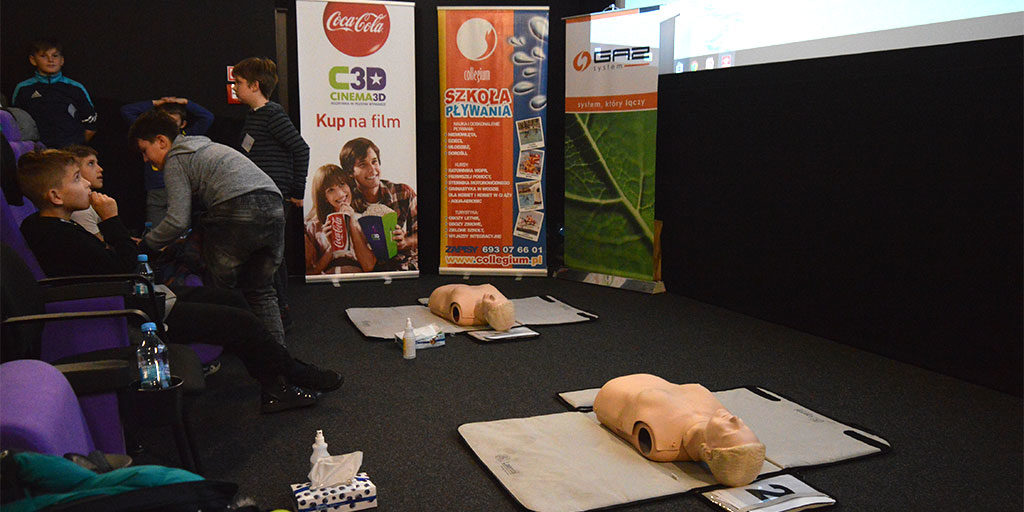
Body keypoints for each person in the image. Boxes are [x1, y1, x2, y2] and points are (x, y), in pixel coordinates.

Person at [15, 149, 342, 413]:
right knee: (239, 322)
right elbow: (125, 269)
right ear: (55, 195)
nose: (87, 183)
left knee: (232, 300)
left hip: (140, 297)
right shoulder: (53, 233)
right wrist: (111, 220)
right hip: (130, 312)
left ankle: (277, 386)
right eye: (77, 179)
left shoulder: (58, 226)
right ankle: (293, 372)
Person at [128, 109, 288, 347]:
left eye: (144, 150)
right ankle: (278, 356)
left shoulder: (176, 159)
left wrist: (146, 245)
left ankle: (224, 354)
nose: (145, 159)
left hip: (235, 208)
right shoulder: (205, 147)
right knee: (262, 291)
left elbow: (177, 221)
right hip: (274, 206)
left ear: (161, 141)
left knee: (221, 293)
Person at [233, 57, 309, 329]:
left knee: (271, 257)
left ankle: (281, 312)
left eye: (239, 82)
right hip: (257, 196)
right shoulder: (254, 116)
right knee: (265, 255)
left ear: (255, 85)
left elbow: (301, 148)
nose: (235, 87)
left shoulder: (272, 114)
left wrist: (297, 191)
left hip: (272, 196)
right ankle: (272, 310)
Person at [593, 374, 766, 487]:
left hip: (614, 389)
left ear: (707, 452)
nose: (736, 419)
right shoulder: (718, 414)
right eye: (743, 426)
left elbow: (615, 417)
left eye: (731, 430)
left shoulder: (662, 445)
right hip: (648, 378)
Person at [120, 97, 214, 226]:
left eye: (173, 121)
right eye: (164, 120)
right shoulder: (149, 135)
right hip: (156, 190)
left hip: (181, 187)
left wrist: (186, 102)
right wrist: (155, 103)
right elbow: (126, 111)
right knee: (154, 227)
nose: (168, 125)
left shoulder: (187, 137)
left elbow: (207, 117)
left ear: (183, 124)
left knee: (181, 227)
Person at [339, 137, 417, 271]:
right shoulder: (347, 202)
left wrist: (405, 242)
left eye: (374, 162)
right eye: (363, 165)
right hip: (370, 270)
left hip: (405, 267)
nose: (372, 169)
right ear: (350, 172)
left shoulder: (403, 192)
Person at [12, 39, 97, 148]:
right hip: (37, 152)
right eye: (43, 56)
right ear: (33, 60)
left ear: (62, 60)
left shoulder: (76, 88)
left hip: (69, 152)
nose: (50, 60)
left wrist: (75, 145)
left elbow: (90, 125)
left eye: (55, 56)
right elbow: (16, 123)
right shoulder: (23, 88)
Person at [303, 164, 375, 274]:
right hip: (327, 280)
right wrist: (332, 247)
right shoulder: (313, 227)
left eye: (342, 184)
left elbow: (368, 266)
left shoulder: (365, 221)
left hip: (357, 279)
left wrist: (352, 224)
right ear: (324, 197)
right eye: (331, 190)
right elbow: (311, 272)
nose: (340, 194)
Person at [427, 284, 515, 331]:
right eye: (500, 298)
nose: (493, 296)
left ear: (487, 314)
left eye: (493, 301)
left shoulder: (464, 312)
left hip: (438, 295)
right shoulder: (491, 293)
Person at [64, 145, 104, 239]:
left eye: (97, 163)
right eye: (90, 163)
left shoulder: (91, 203)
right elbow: (101, 246)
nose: (100, 169)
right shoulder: (81, 211)